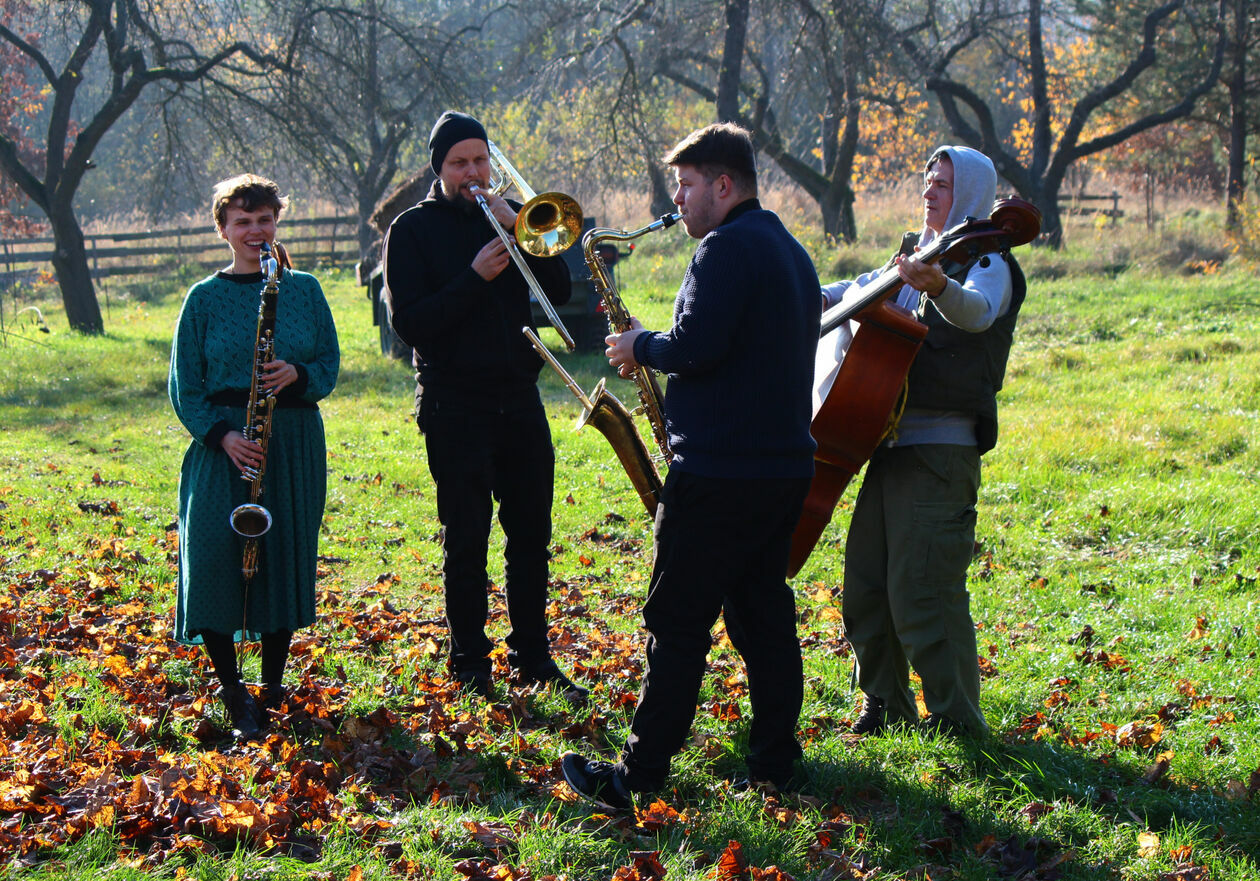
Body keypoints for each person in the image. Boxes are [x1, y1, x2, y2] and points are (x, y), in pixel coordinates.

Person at [560, 123, 821, 812]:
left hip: (721, 473)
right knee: (764, 615)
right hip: (783, 466)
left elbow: (700, 344)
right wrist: (658, 343)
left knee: (676, 622)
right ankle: (775, 760)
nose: (677, 199)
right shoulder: (789, 250)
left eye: (686, 184)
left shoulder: (724, 249)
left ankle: (636, 776)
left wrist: (640, 344)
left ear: (724, 185)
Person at [823, 146, 1026, 738]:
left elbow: (978, 312)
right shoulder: (914, 256)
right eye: (928, 181)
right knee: (866, 584)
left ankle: (957, 721)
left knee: (925, 591)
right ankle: (885, 705)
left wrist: (939, 287)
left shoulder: (986, 259)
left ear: (969, 193)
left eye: (943, 183)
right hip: (885, 448)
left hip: (940, 455)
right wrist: (805, 298)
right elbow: (854, 288)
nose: (930, 192)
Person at [382, 111, 584, 700]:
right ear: (439, 169)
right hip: (454, 402)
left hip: (518, 397)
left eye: (479, 160)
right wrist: (473, 277)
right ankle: (470, 661)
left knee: (531, 535)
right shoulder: (412, 230)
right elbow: (411, 325)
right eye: (458, 163)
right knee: (466, 538)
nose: (472, 173)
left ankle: (533, 656)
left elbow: (562, 293)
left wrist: (523, 229)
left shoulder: (512, 217)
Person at [169, 174, 340, 739]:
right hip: (221, 446)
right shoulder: (202, 299)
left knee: (281, 559)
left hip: (289, 442)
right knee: (216, 557)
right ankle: (231, 689)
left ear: (277, 223)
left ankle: (270, 685)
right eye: (242, 221)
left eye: (265, 219)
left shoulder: (306, 289)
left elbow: (330, 366)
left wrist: (298, 374)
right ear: (222, 229)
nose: (256, 231)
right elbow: (184, 389)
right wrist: (222, 435)